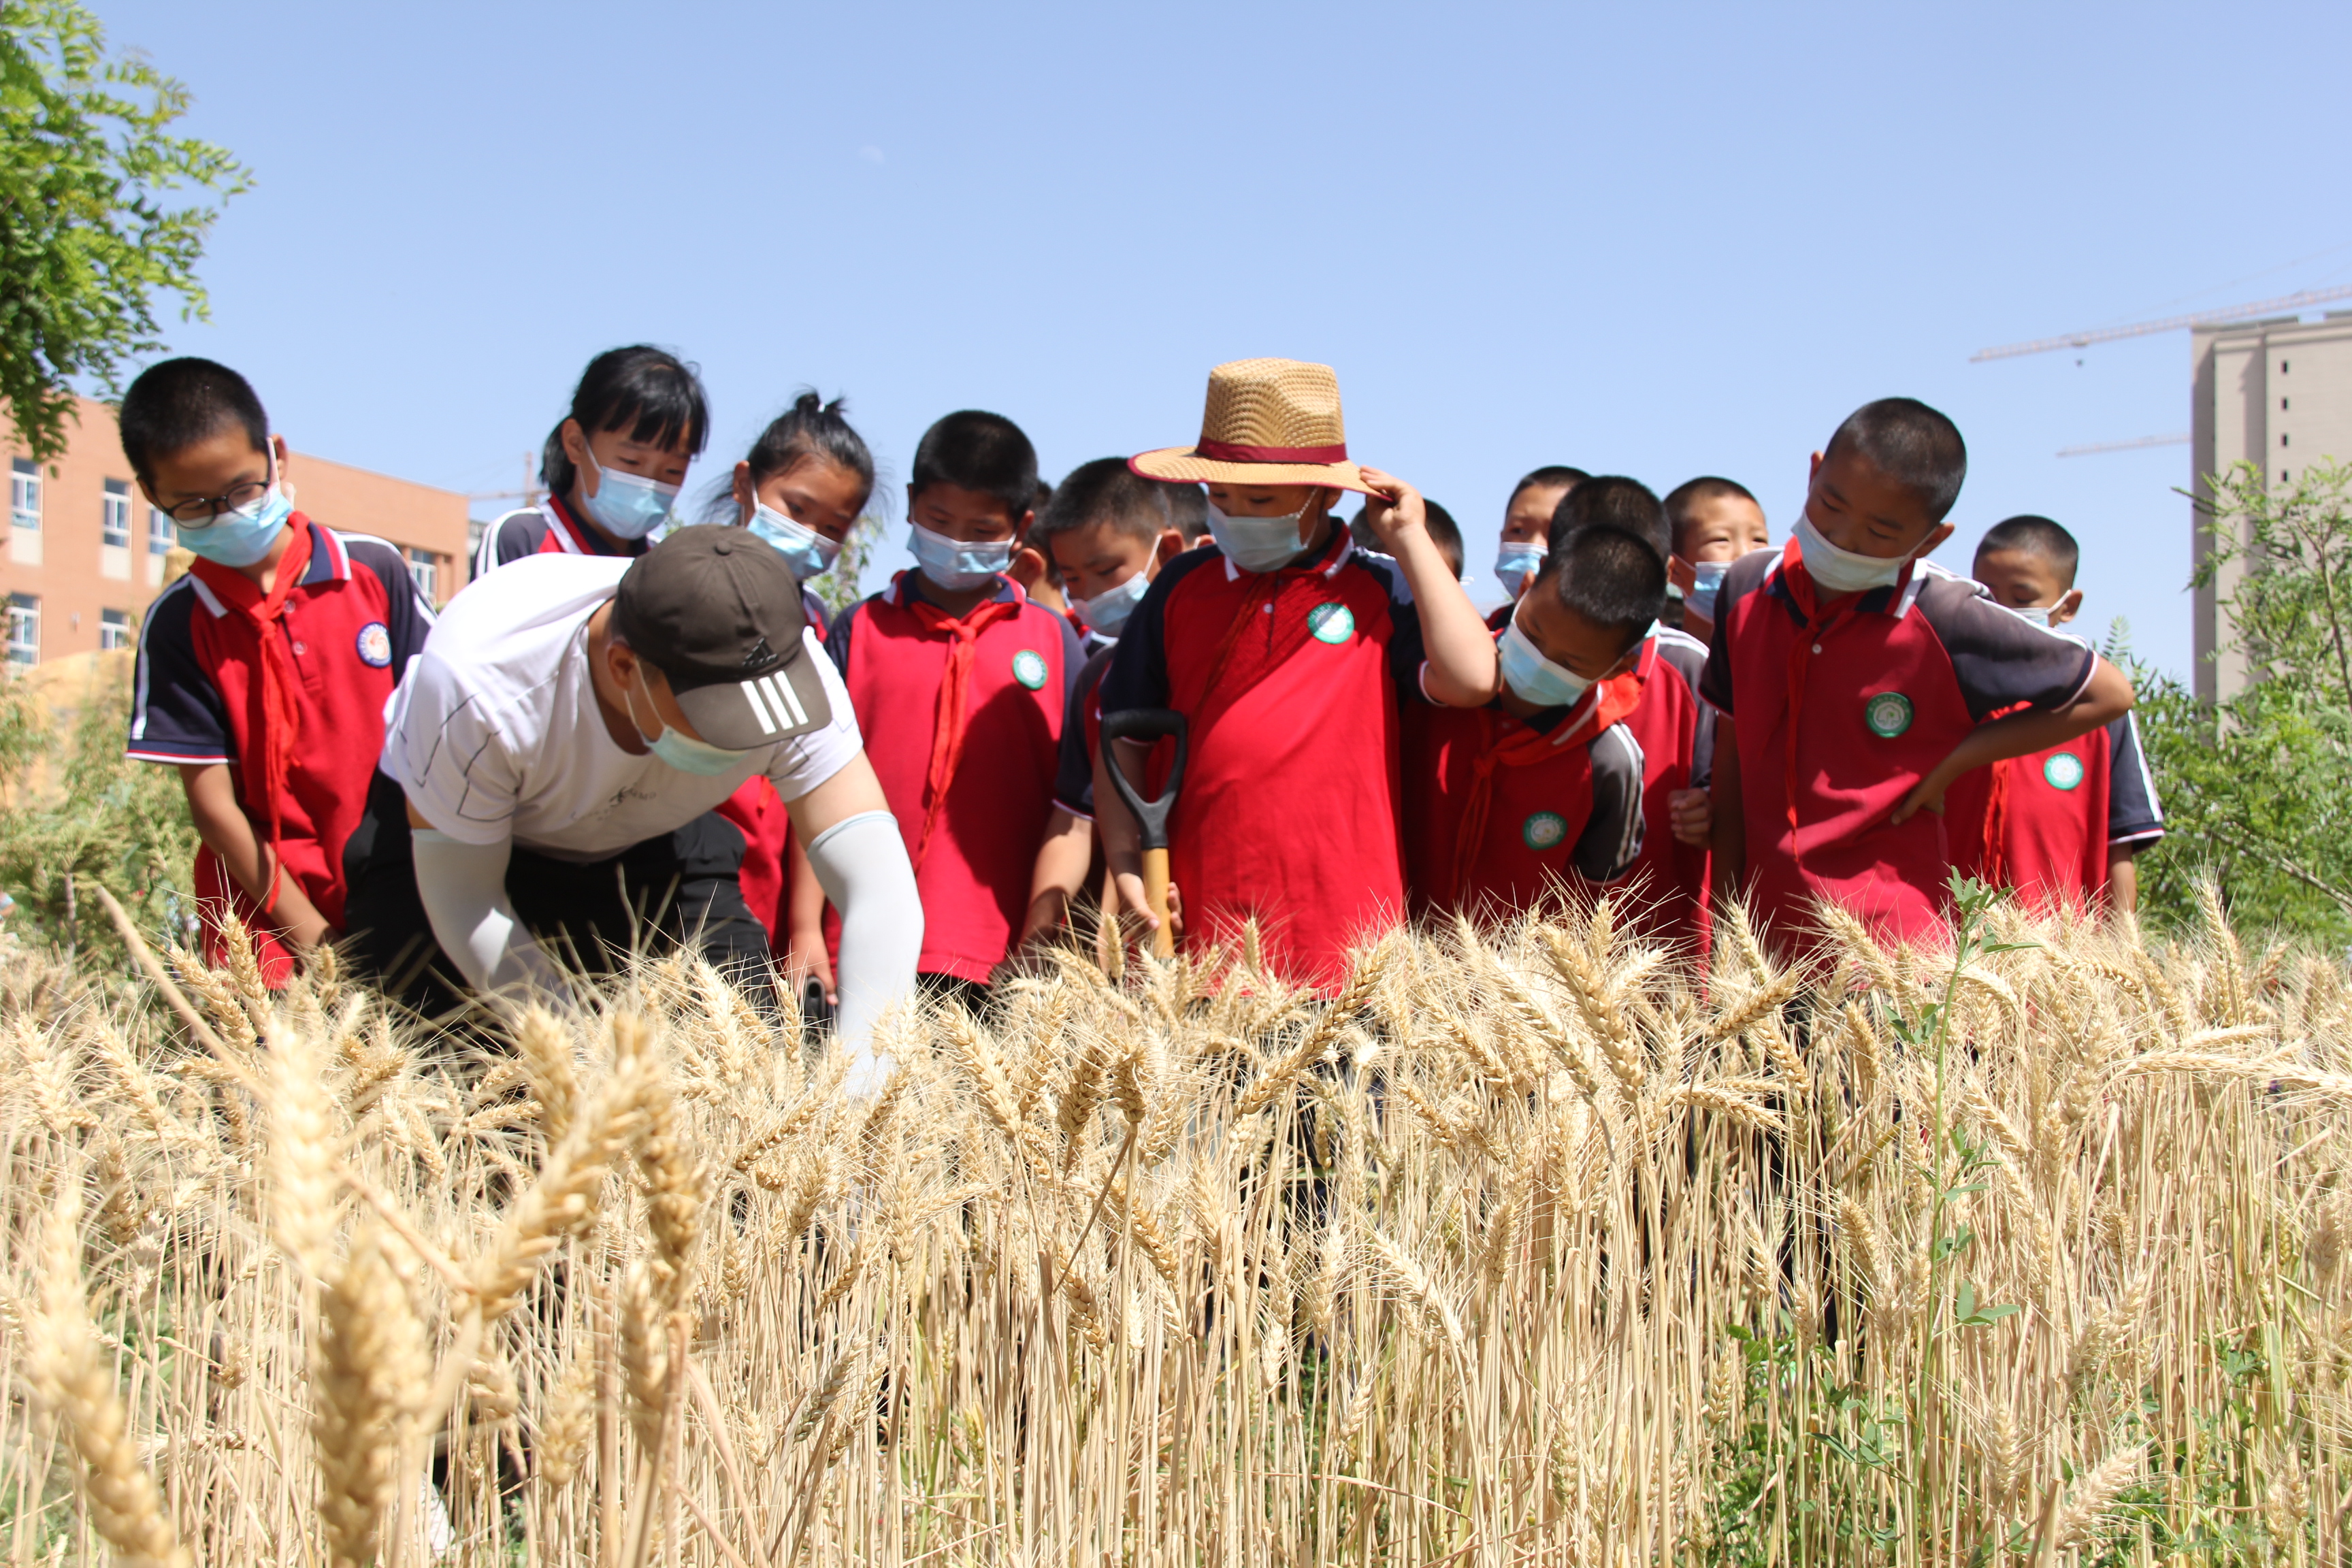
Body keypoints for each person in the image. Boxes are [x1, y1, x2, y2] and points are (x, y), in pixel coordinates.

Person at [346, 529, 921, 1084]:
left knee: (748, 1067)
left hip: (652, 837)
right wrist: (578, 1050)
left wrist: (863, 1102)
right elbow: (466, 902)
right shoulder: (479, 681)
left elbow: (880, 890)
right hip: (457, 848)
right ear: (625, 668)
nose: (748, 742)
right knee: (438, 1069)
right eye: (720, 723)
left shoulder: (785, 669)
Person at [1099, 357, 1499, 992]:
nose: (1234, 516)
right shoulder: (1181, 586)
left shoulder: (1381, 585)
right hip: (1203, 942)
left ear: (1327, 494)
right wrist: (1126, 866)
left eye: (1260, 500)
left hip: (1348, 954)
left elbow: (1473, 678)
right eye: (1220, 498)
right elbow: (1122, 735)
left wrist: (1411, 540)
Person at [1701, 399, 2137, 953]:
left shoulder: (1948, 615)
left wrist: (1954, 762)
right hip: (1766, 942)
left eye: (1880, 532)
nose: (1842, 538)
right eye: (1830, 505)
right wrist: (1724, 939)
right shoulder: (1746, 589)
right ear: (1813, 472)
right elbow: (1732, 771)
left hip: (1893, 950)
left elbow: (2109, 694)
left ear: (1931, 539)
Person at [122, 359, 437, 987]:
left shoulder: (373, 571)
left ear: (277, 457)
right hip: (264, 923)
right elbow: (215, 808)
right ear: (154, 497)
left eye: (243, 490)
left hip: (400, 887)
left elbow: (442, 725)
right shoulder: (179, 622)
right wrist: (312, 939)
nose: (229, 513)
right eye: (195, 505)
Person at [824, 410, 1083, 1005]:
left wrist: (1047, 939)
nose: (958, 541)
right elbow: (813, 783)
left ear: (1021, 527)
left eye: (981, 528)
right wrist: (809, 931)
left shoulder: (1053, 641)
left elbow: (1074, 810)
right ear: (912, 504)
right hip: (858, 943)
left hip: (1002, 953)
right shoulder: (859, 628)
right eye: (940, 521)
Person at [701, 392, 876, 1009]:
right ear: (747, 484)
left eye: (833, 528)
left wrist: (806, 926)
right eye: (796, 509)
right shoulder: (686, 588)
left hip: (776, 890)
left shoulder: (819, 627)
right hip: (691, 879)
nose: (810, 536)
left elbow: (819, 788)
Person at [1403, 526, 1659, 918]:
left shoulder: (1610, 760)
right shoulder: (1436, 681)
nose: (1541, 661)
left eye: (1571, 663)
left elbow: (1599, 900)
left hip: (1513, 974)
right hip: (1390, 954)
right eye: (1534, 633)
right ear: (1527, 586)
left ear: (1619, 666)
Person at [1944, 515, 2163, 914]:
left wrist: (2122, 955)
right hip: (1942, 949)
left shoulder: (2100, 713)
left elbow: (2120, 846)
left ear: (2068, 606)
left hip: (2058, 956)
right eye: (1987, 597)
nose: (2002, 613)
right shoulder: (1946, 694)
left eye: (2022, 598)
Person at [1019, 459, 1188, 951]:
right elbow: (1075, 816)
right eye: (1072, 578)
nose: (1089, 594)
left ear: (1168, 551)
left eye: (1107, 570)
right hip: (1141, 942)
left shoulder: (1202, 663)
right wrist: (1040, 929)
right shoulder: (1097, 677)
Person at [1548, 477, 1716, 950]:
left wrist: (1709, 810)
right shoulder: (1511, 667)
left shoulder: (1692, 667)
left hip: (1664, 958)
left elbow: (1724, 795)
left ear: (1664, 575)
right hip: (1533, 962)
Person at [473, 346, 707, 574]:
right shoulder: (521, 539)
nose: (648, 484)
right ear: (575, 443)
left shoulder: (666, 568)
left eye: (673, 471)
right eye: (631, 462)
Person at [1663, 476, 1771, 645]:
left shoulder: (1790, 655)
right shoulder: (1658, 663)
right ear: (1673, 570)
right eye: (1721, 540)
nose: (1745, 555)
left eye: (1758, 539)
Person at [1490, 465, 1588, 622]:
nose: (1534, 545)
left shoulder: (1627, 641)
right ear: (1501, 538)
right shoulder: (1487, 631)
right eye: (1518, 531)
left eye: (1554, 532)